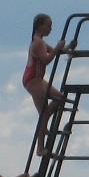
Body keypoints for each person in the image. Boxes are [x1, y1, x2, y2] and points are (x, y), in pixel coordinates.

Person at [23, 14, 75, 156]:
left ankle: (44, 124)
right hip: (33, 80)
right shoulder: (38, 42)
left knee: (60, 99)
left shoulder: (41, 42)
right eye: (48, 25)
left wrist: (67, 47)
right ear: (40, 26)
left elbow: (55, 52)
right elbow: (46, 60)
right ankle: (40, 148)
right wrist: (58, 49)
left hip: (37, 79)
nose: (51, 28)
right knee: (44, 113)